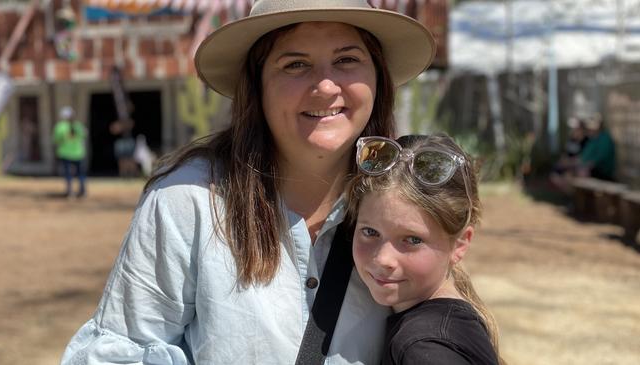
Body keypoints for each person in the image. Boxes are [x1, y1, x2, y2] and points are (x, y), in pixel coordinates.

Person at [61, 1, 436, 364]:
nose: (325, 85)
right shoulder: (188, 201)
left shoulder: (410, 197)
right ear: (256, 87)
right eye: (295, 64)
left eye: (347, 60)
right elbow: (124, 351)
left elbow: (444, 317)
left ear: (377, 78)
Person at [347, 134, 503, 364]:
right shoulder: (445, 326)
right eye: (370, 232)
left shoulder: (424, 348)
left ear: (460, 244)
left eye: (412, 240)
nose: (383, 259)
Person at [52, 106, 86, 198]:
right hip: (78, 153)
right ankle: (82, 191)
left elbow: (56, 140)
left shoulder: (60, 126)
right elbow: (84, 136)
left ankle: (70, 192)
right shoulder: (78, 125)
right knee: (80, 173)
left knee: (68, 173)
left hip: (65, 153)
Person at [577, 114, 616, 181]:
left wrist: (586, 167)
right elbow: (584, 156)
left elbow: (600, 158)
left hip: (600, 174)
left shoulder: (605, 139)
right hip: (587, 170)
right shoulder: (592, 139)